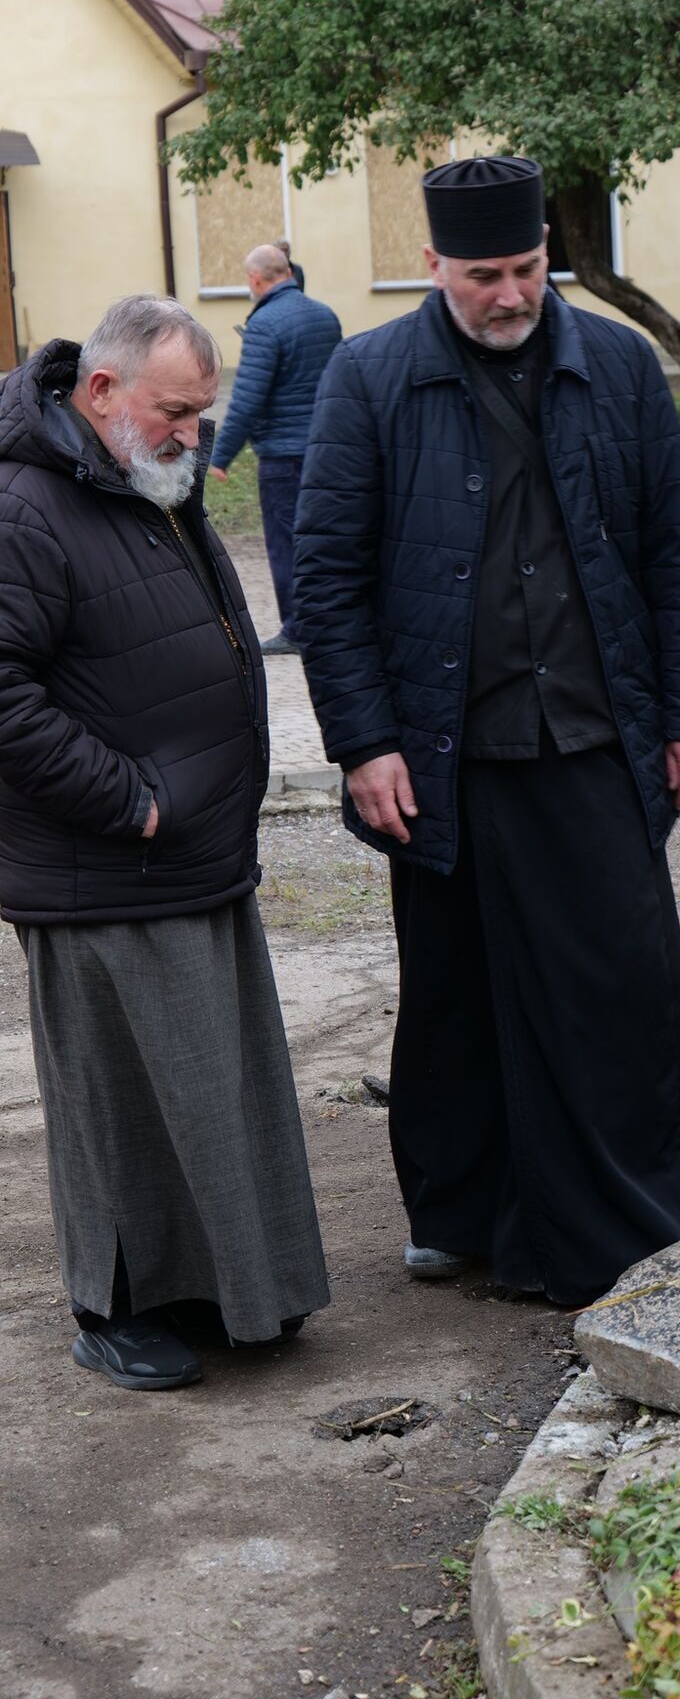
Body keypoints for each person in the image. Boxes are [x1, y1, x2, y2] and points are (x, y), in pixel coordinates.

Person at [293, 155, 680, 1306]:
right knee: (454, 993)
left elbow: (676, 552)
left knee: (622, 988)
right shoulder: (368, 376)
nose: (511, 293)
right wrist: (363, 742)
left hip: (593, 736)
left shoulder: (619, 366)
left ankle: (635, 1230)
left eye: (527, 268)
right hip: (443, 753)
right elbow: (327, 581)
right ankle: (461, 1210)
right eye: (483, 274)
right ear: (433, 265)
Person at [0, 295, 328, 1390]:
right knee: (116, 1098)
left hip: (189, 847)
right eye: (176, 410)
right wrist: (128, 801)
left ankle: (225, 1288)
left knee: (208, 1082)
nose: (194, 433)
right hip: (104, 859)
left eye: (201, 412)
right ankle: (115, 1307)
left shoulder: (139, 471)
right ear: (101, 390)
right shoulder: (25, 504)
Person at [209, 244, 341, 655]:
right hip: (325, 449)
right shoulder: (325, 315)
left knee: (286, 544)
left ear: (255, 279)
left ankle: (297, 629)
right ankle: (333, 620)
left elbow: (248, 399)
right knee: (325, 539)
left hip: (283, 458)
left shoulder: (264, 324)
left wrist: (220, 455)